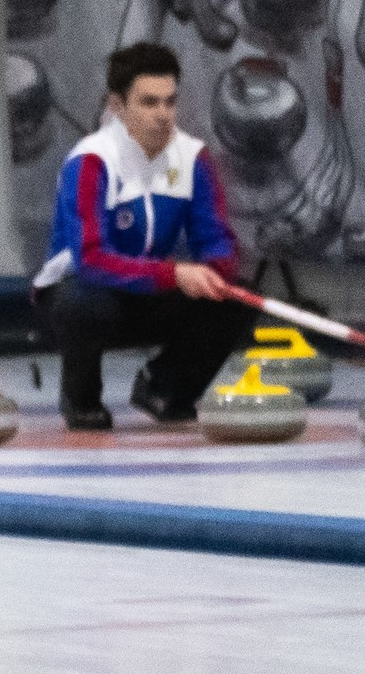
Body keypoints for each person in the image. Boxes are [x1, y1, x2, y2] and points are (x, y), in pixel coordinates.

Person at [34, 42, 251, 429]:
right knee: (83, 305)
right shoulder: (90, 162)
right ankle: (81, 398)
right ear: (117, 106)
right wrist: (174, 275)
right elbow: (92, 259)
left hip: (147, 291)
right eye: (149, 103)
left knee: (231, 300)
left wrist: (216, 271)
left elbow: (216, 238)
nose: (163, 115)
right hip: (82, 292)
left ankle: (165, 389)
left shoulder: (193, 158)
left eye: (170, 102)